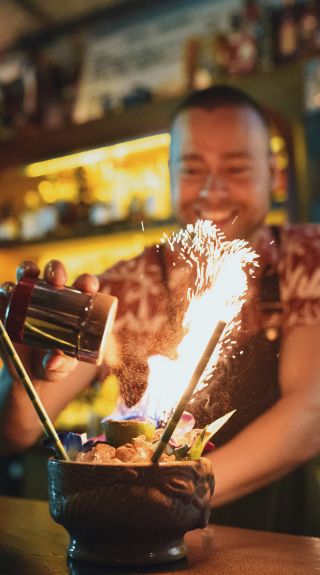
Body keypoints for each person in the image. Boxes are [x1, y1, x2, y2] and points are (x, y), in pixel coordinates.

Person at [0, 85, 320, 535]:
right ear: (170, 174)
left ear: (276, 175)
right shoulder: (124, 286)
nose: (212, 188)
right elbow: (16, 434)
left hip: (277, 547)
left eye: (236, 167)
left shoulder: (308, 259)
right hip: (144, 548)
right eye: (192, 169)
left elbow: (309, 415)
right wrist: (22, 379)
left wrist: (169, 494)